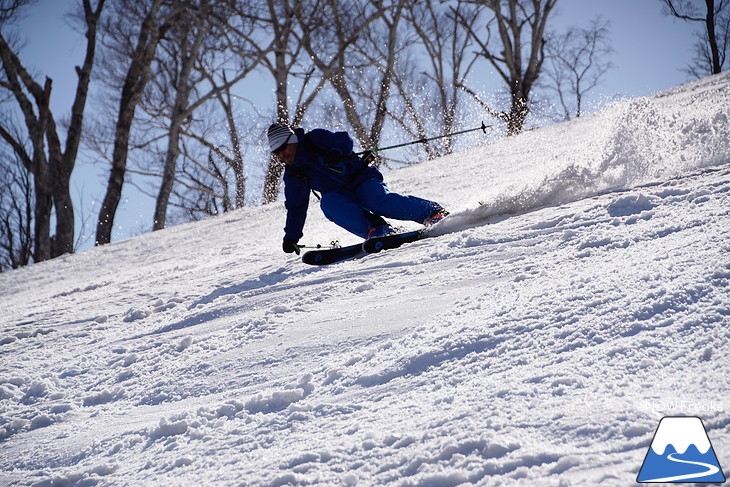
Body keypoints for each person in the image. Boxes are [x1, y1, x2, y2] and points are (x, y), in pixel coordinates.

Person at [267, 123, 448, 255]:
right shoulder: (293, 175)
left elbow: (343, 139)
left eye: (283, 148)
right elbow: (296, 207)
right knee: (328, 204)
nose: (281, 154)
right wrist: (291, 237)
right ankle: (376, 229)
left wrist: (337, 151)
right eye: (276, 152)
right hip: (339, 195)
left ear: (293, 140)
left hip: (361, 180)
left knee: (378, 202)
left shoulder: (314, 139)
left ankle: (432, 213)